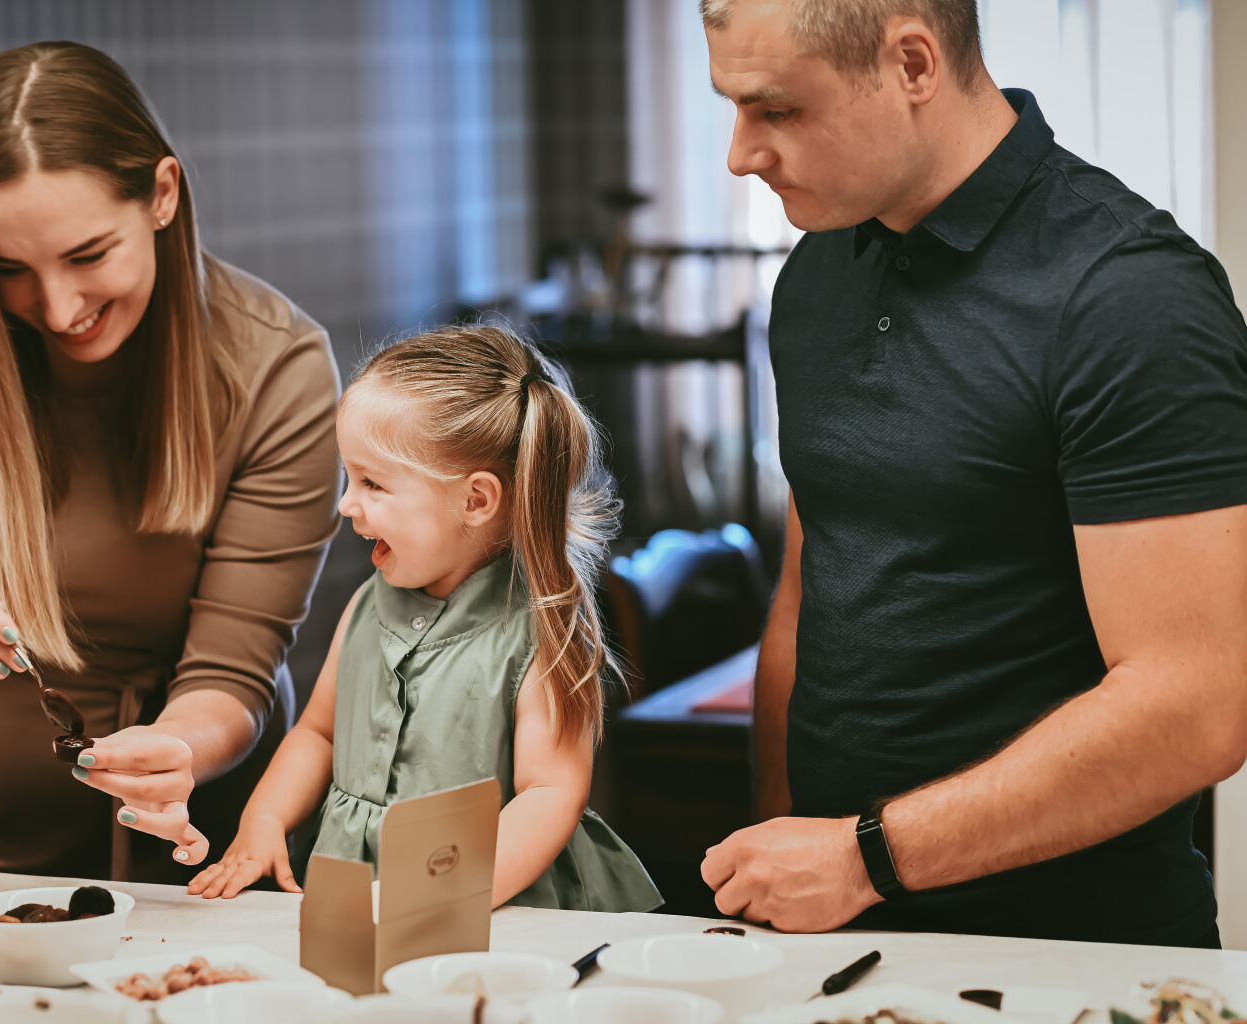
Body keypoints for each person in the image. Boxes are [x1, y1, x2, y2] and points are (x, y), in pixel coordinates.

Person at [697, 0, 1247, 945]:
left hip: (1069, 948)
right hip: (829, 929)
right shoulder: (818, 267)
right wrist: (780, 843)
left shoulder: (1127, 294)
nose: (740, 154)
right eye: (732, 107)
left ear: (912, 64)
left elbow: (1197, 703)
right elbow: (807, 588)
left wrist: (863, 858)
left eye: (777, 110)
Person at [0, 41, 342, 880]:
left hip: (195, 859)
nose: (58, 309)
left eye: (89, 255)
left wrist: (177, 746)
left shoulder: (275, 368)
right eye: (7, 270)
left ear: (162, 195)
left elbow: (235, 672)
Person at [187, 325, 662, 911]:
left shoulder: (539, 627)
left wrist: (438, 895)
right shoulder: (367, 605)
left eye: (372, 483)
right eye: (348, 477)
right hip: (359, 901)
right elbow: (318, 732)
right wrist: (264, 818)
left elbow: (550, 793)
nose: (346, 504)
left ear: (475, 500)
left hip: (491, 910)